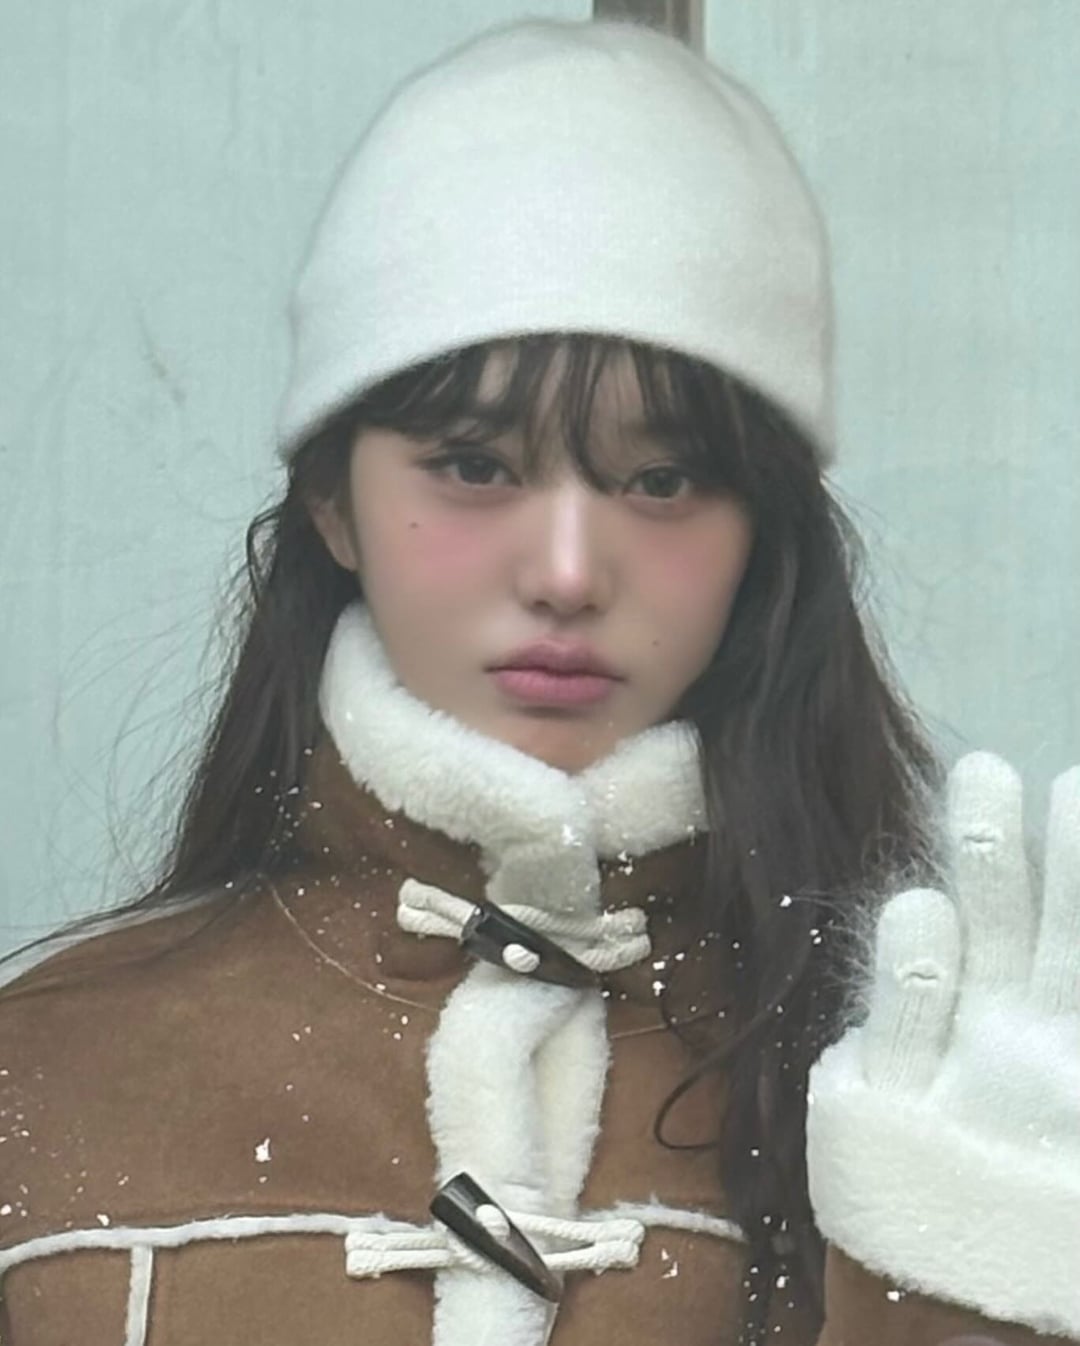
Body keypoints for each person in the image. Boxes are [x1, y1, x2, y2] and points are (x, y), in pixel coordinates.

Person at [0, 15, 1076, 1346]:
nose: (567, 572)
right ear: (333, 499)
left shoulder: (934, 1095)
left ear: (762, 534)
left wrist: (986, 1286)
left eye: (661, 479)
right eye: (474, 463)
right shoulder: (45, 1077)